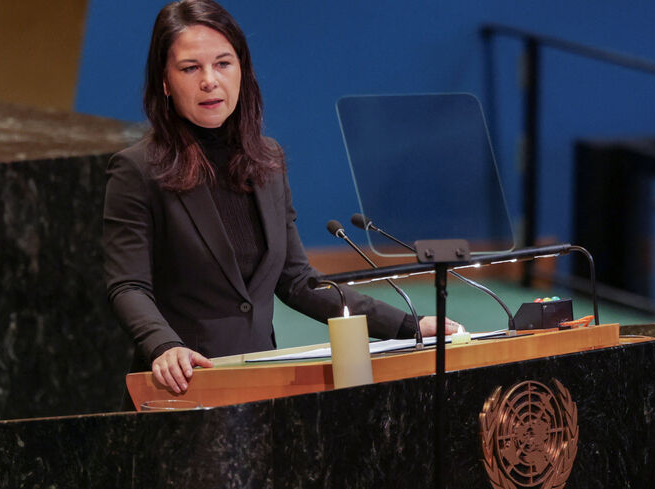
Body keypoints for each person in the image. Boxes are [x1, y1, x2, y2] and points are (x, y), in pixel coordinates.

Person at [103, 0, 459, 400]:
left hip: (262, 383)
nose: (209, 80)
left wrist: (410, 324)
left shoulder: (266, 160)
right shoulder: (137, 169)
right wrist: (163, 346)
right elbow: (128, 285)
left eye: (223, 63)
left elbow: (299, 282)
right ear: (164, 82)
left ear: (242, 71)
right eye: (190, 68)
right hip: (184, 386)